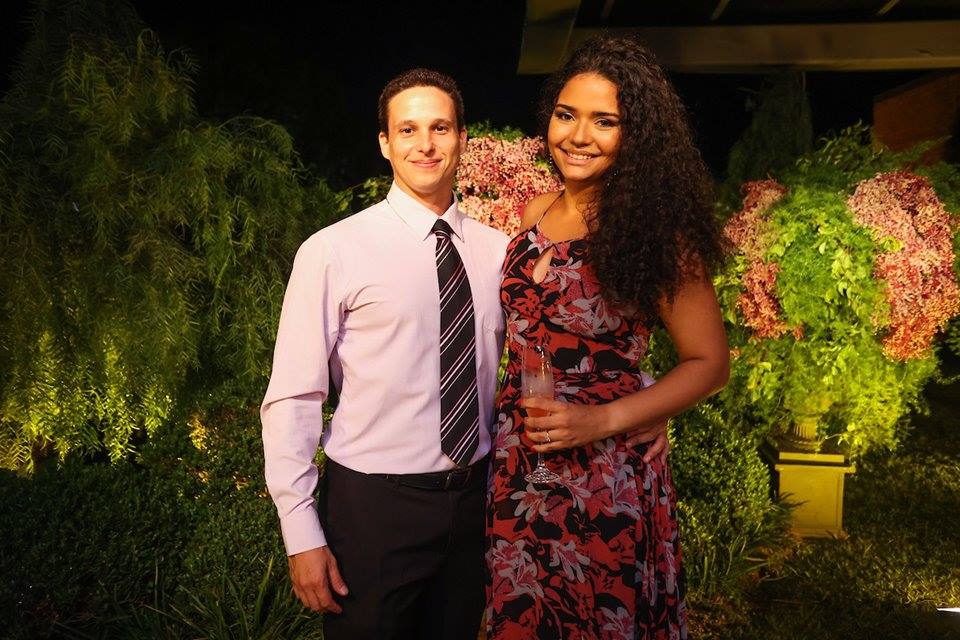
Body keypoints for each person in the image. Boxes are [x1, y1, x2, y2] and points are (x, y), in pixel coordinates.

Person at [485, 36, 730, 640]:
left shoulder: (656, 231)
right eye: (566, 115)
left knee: (597, 618)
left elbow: (709, 362)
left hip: (603, 473)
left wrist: (607, 419)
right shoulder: (532, 213)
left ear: (636, 135)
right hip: (519, 458)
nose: (577, 135)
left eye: (605, 121)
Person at [260, 68, 510, 640]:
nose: (425, 144)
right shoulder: (332, 252)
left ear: (463, 137)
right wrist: (301, 533)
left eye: (440, 127)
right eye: (408, 129)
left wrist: (638, 407)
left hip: (476, 504)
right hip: (373, 510)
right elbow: (294, 397)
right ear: (385, 143)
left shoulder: (499, 253)